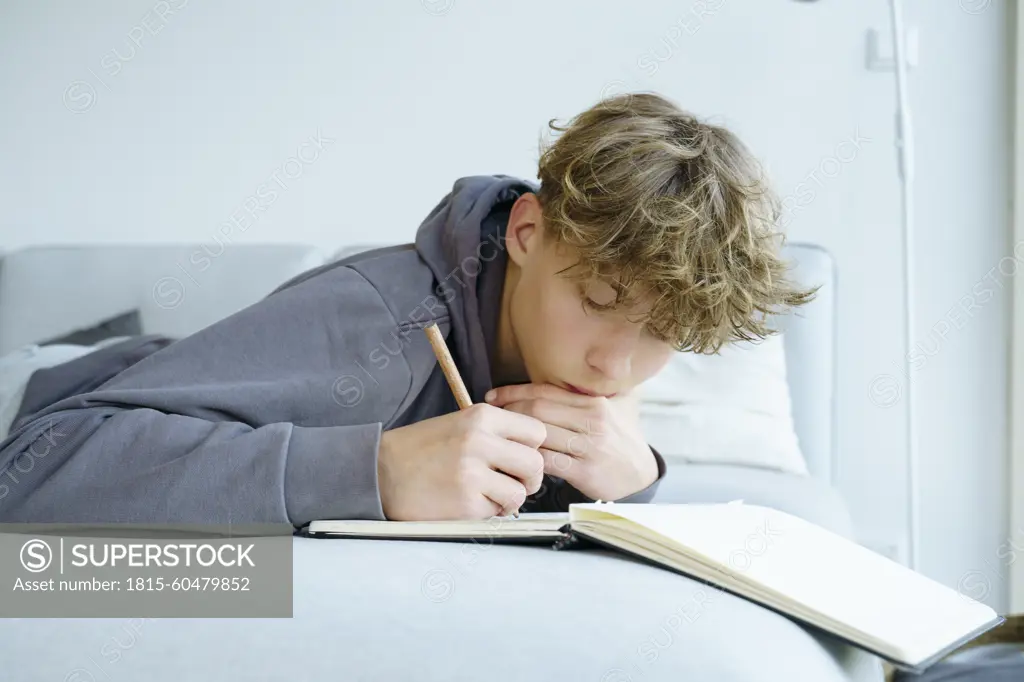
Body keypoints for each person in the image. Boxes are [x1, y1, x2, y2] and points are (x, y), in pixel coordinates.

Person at [0, 93, 814, 528]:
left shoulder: (577, 362)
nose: (615, 365)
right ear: (527, 231)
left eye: (661, 336)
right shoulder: (379, 328)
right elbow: (33, 470)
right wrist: (375, 472)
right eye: (598, 301)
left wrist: (632, 481)